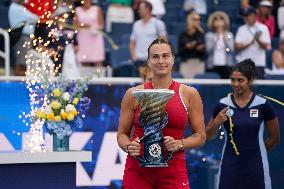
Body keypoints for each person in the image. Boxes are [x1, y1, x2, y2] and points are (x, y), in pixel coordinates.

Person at [117, 38, 206, 188]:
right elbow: (122, 134)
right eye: (155, 57)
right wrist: (128, 146)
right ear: (148, 61)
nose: (160, 61)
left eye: (165, 56)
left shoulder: (189, 93)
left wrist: (179, 143)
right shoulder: (133, 94)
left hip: (174, 171)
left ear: (173, 59)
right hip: (138, 170)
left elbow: (200, 136)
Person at [206, 58, 280, 189]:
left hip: (256, 168)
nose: (235, 84)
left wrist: (258, 152)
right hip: (229, 167)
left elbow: (274, 138)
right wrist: (216, 122)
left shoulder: (263, 105)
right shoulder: (222, 104)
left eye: (240, 80)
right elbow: (209, 135)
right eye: (233, 80)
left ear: (250, 81)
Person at [235, 6, 271, 79]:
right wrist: (250, 43)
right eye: (245, 16)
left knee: (258, 88)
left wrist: (257, 40)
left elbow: (266, 46)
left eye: (249, 15)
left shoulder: (263, 27)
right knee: (244, 87)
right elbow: (237, 47)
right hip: (244, 64)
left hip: (258, 63)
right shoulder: (241, 29)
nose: (246, 18)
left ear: (255, 15)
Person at [129, 1, 167, 69]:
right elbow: (132, 42)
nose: (138, 11)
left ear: (147, 10)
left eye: (140, 9)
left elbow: (164, 42)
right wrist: (134, 56)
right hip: (138, 60)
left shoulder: (158, 24)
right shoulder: (136, 24)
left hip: (153, 60)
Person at [8, 0, 38, 76]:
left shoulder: (20, 8)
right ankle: (19, 85)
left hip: (25, 38)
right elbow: (35, 18)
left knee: (24, 64)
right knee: (21, 65)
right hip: (22, 38)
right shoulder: (17, 8)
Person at [74, 0, 105, 66]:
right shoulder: (77, 10)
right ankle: (85, 76)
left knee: (97, 60)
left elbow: (102, 25)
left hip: (95, 37)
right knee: (85, 60)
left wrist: (95, 29)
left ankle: (99, 76)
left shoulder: (97, 9)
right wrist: (83, 25)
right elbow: (74, 25)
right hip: (83, 38)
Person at [205, 11, 235, 79]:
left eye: (221, 19)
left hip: (226, 65)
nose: (218, 21)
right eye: (216, 19)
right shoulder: (209, 35)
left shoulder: (229, 35)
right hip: (212, 65)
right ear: (212, 22)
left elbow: (230, 50)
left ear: (225, 22)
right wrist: (215, 41)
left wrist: (225, 42)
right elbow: (209, 51)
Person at [178, 12, 205, 78]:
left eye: (198, 19)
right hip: (186, 62)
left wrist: (198, 46)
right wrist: (192, 45)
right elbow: (182, 49)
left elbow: (203, 48)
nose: (197, 21)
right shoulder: (183, 34)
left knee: (199, 86)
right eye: (195, 19)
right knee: (186, 84)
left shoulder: (201, 34)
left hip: (198, 62)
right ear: (189, 20)